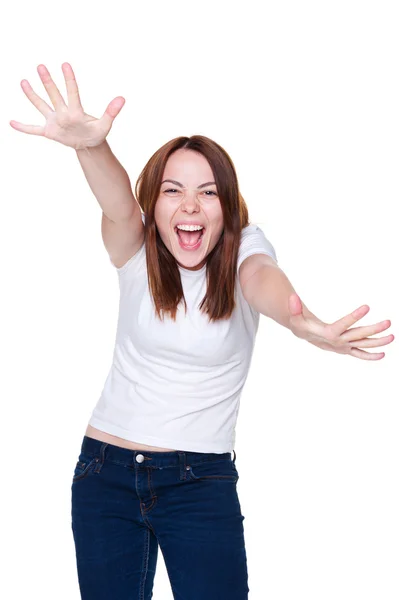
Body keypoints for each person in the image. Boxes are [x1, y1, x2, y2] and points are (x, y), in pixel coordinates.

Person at [10, 63, 394, 600]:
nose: (189, 206)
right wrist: (89, 148)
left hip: (200, 482)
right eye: (173, 191)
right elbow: (117, 204)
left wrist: (302, 322)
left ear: (226, 206)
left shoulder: (246, 249)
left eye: (208, 193)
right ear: (156, 201)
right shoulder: (135, 250)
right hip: (104, 472)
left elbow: (263, 282)